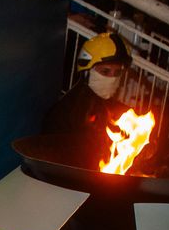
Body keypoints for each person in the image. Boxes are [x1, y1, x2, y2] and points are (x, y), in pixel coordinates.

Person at [42, 31, 132, 167]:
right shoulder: (66, 112)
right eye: (105, 71)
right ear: (87, 71)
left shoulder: (121, 112)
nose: (112, 78)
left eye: (117, 72)